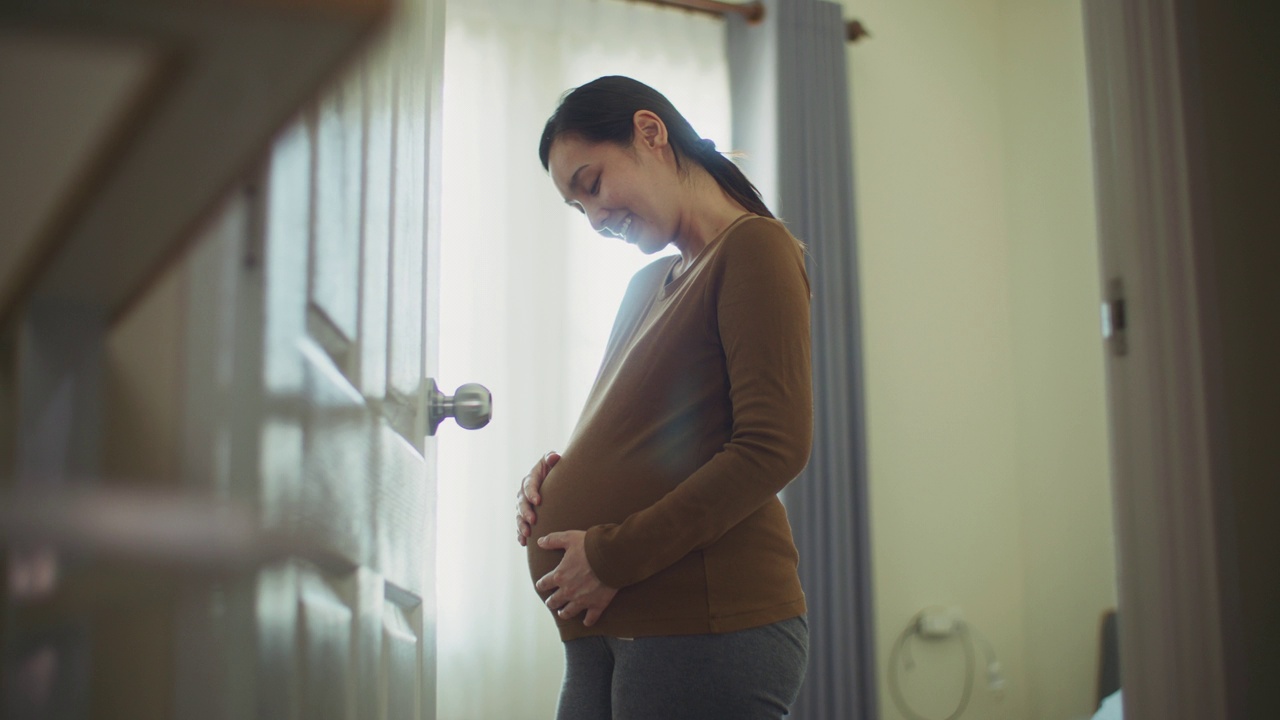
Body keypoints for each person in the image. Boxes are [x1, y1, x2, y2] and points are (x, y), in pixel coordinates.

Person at [515, 75, 813, 719]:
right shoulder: (647, 284)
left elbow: (773, 448)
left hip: (702, 622)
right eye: (577, 208)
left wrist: (611, 553)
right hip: (609, 628)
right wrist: (554, 481)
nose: (594, 219)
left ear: (650, 134)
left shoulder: (753, 248)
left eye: (592, 185)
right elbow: (642, 436)